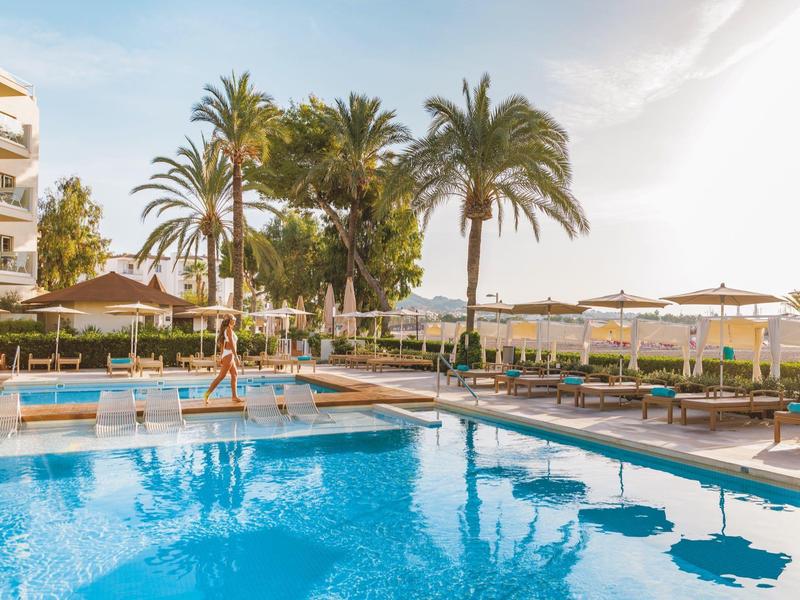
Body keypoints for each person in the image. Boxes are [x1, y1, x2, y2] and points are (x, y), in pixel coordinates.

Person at [203, 314, 242, 404]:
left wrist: (221, 356)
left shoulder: (226, 329)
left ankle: (234, 396)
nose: (235, 320)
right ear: (229, 320)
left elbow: (222, 344)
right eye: (233, 318)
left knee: (235, 374)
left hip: (227, 354)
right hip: (229, 355)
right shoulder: (228, 330)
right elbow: (232, 344)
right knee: (221, 376)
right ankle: (206, 395)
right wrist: (236, 357)